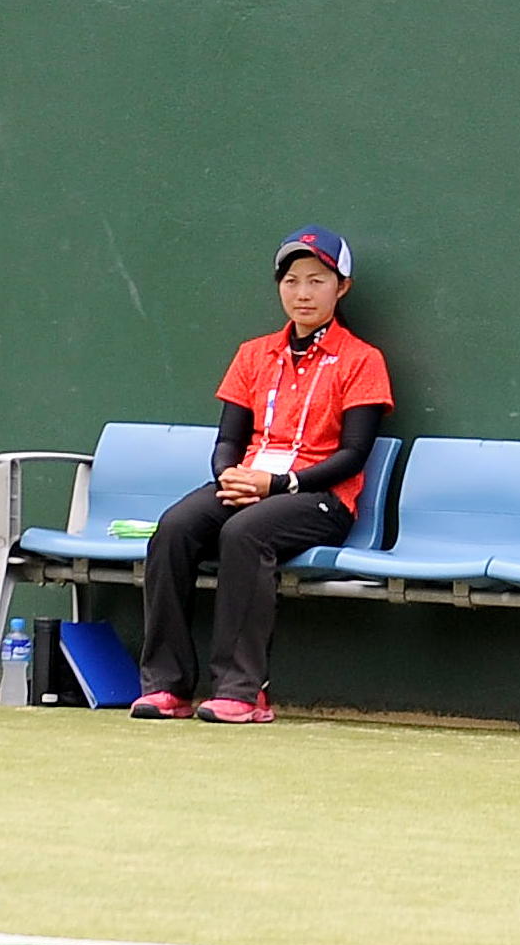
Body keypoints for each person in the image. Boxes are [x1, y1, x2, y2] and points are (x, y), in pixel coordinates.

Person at [127, 227, 393, 726]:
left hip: (319, 498)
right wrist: (230, 476)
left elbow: (355, 454)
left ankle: (243, 692)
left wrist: (281, 485)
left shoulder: (362, 360)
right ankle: (167, 686)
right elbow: (228, 439)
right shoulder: (254, 354)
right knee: (174, 529)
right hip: (250, 484)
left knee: (244, 533)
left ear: (343, 287)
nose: (303, 293)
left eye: (317, 280)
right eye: (291, 281)